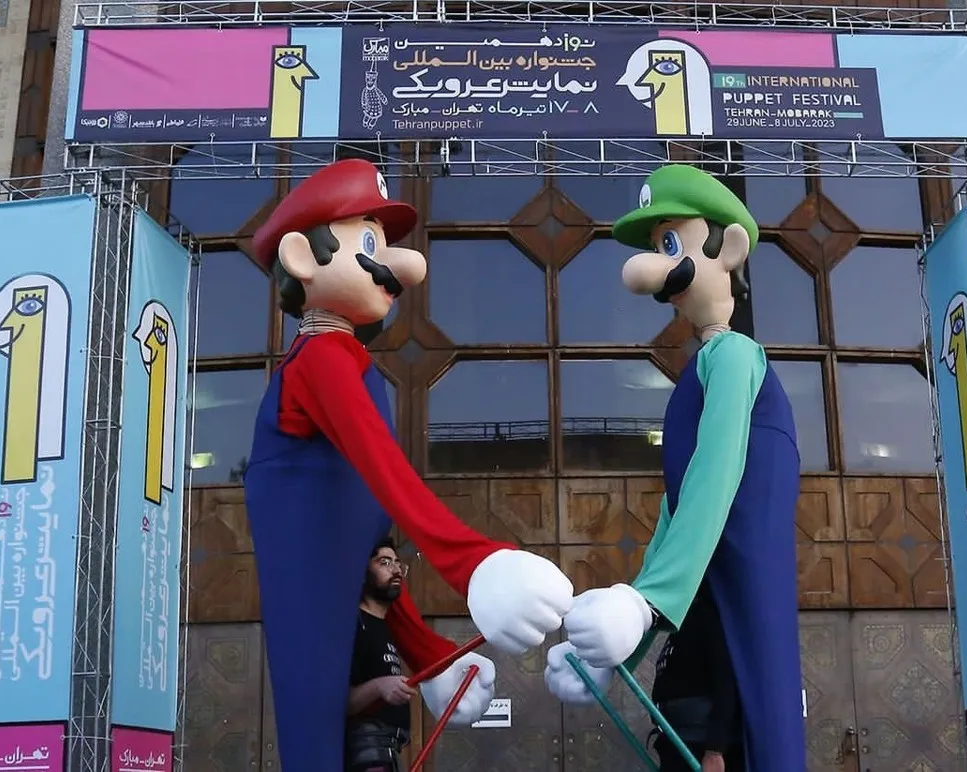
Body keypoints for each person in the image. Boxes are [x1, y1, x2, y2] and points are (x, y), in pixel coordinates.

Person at [243, 159, 574, 772]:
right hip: (310, 596)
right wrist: (474, 562)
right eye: (369, 245)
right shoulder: (321, 359)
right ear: (301, 257)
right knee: (314, 718)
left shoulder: (350, 363)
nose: (402, 266)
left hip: (335, 591)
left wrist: (429, 655)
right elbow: (387, 472)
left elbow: (371, 555)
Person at [545, 164, 806, 772]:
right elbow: (678, 510)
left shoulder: (735, 355)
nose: (659, 268)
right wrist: (622, 649)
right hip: (712, 605)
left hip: (742, 593)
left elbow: (716, 478)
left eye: (672, 243)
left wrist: (645, 605)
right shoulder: (701, 369)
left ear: (729, 249)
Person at [649, 583, 743, 772]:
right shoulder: (687, 618)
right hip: (677, 739)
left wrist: (714, 750)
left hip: (699, 743)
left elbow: (726, 683)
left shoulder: (709, 616)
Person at [344, 538, 418, 772]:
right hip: (365, 752)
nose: (396, 570)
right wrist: (379, 686)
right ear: (363, 571)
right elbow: (337, 702)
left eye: (397, 563)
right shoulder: (352, 627)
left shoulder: (386, 627)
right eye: (384, 562)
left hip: (389, 752)